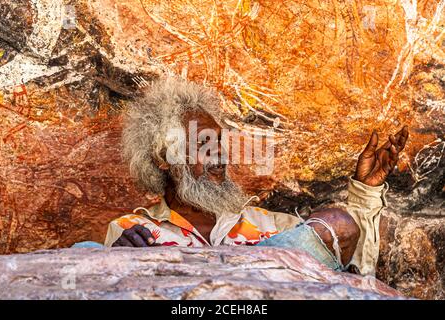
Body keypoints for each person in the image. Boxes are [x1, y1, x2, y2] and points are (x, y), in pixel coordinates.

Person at [104, 77, 409, 276]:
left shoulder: (265, 223)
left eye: (219, 143)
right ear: (162, 159)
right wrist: (118, 262)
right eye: (203, 144)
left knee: (336, 223)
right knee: (86, 252)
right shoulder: (133, 231)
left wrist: (366, 192)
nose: (220, 156)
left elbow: (353, 261)